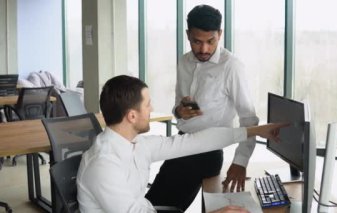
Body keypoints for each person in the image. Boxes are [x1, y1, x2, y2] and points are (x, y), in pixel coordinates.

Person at [76, 75, 286, 213]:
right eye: (148, 105)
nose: (152, 108)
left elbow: (196, 142)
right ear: (132, 116)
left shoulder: (136, 144)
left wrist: (256, 131)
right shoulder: (103, 165)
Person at [146, 4, 259, 211]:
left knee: (157, 207)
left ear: (220, 34)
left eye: (210, 41)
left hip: (206, 153)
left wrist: (240, 162)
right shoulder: (184, 62)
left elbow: (249, 119)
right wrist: (179, 111)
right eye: (197, 42)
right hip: (181, 143)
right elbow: (179, 105)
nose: (204, 49)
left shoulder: (231, 66)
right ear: (188, 35)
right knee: (151, 204)